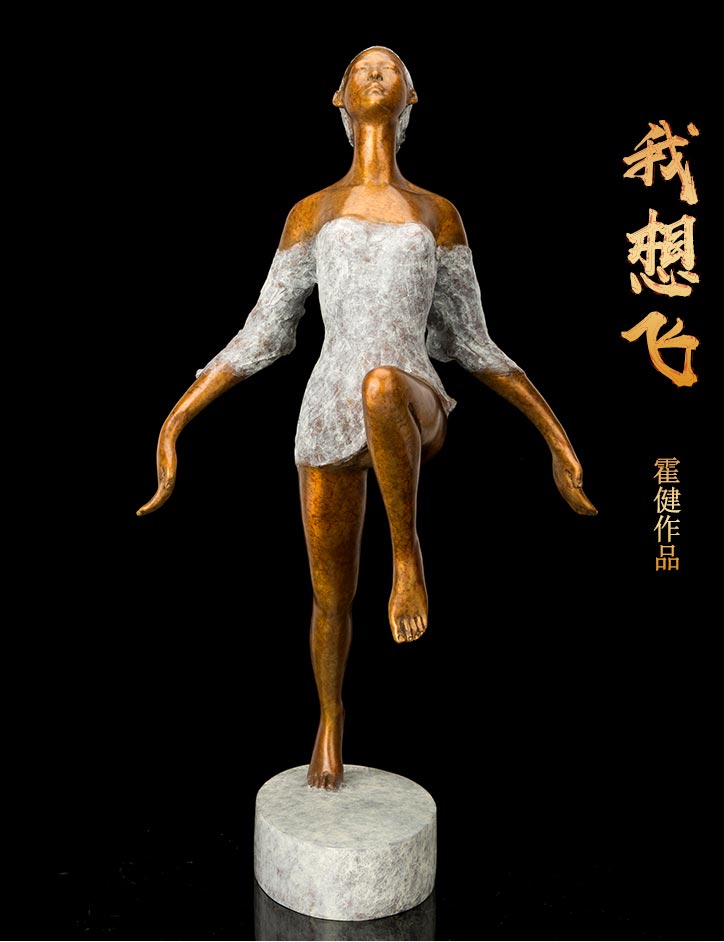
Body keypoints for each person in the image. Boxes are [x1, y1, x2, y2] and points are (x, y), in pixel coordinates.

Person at [137, 46, 597, 790]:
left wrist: (555, 436)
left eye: (391, 68)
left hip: (414, 399)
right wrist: (174, 422)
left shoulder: (436, 213)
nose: (376, 72)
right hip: (326, 409)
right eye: (362, 67)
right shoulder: (312, 212)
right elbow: (263, 333)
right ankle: (329, 717)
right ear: (340, 97)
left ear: (411, 97)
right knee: (329, 598)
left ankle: (408, 559)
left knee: (382, 386)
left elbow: (473, 342)